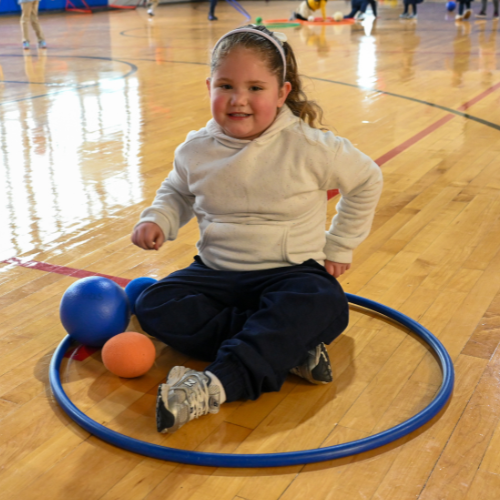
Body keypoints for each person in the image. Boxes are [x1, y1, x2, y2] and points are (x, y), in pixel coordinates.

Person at [131, 24, 383, 434]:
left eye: (255, 88)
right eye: (226, 85)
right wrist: (156, 218)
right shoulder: (195, 149)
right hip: (216, 274)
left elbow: (368, 179)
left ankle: (216, 385)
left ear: (282, 93)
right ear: (209, 85)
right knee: (155, 302)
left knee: (324, 301)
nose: (238, 100)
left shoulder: (312, 147)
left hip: (289, 273)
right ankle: (284, 346)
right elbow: (177, 190)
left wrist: (340, 245)